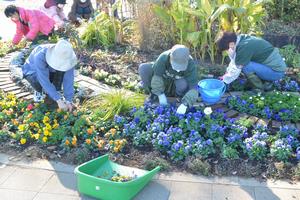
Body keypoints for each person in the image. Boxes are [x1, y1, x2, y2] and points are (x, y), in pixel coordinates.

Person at [139, 44, 199, 114]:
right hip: (164, 81)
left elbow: (194, 88)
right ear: (170, 58)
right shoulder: (164, 57)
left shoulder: (190, 63)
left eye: (181, 67)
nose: (178, 70)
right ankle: (154, 95)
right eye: (176, 66)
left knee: (183, 83)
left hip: (177, 87)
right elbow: (157, 77)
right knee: (144, 68)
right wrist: (160, 94)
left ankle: (178, 99)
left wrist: (185, 104)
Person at [216, 32, 287, 91]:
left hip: (276, 72)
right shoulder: (242, 39)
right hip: (272, 67)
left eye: (227, 49)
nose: (228, 51)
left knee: (246, 66)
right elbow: (235, 60)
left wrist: (225, 81)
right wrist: (227, 73)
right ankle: (266, 81)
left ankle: (259, 88)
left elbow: (237, 68)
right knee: (243, 63)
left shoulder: (244, 47)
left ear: (231, 44)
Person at [22, 40, 77, 111]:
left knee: (60, 76)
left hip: (51, 71)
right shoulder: (39, 56)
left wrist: (68, 100)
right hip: (33, 70)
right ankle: (38, 91)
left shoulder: (68, 56)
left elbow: (69, 80)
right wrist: (58, 100)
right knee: (36, 80)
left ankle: (53, 92)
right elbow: (43, 79)